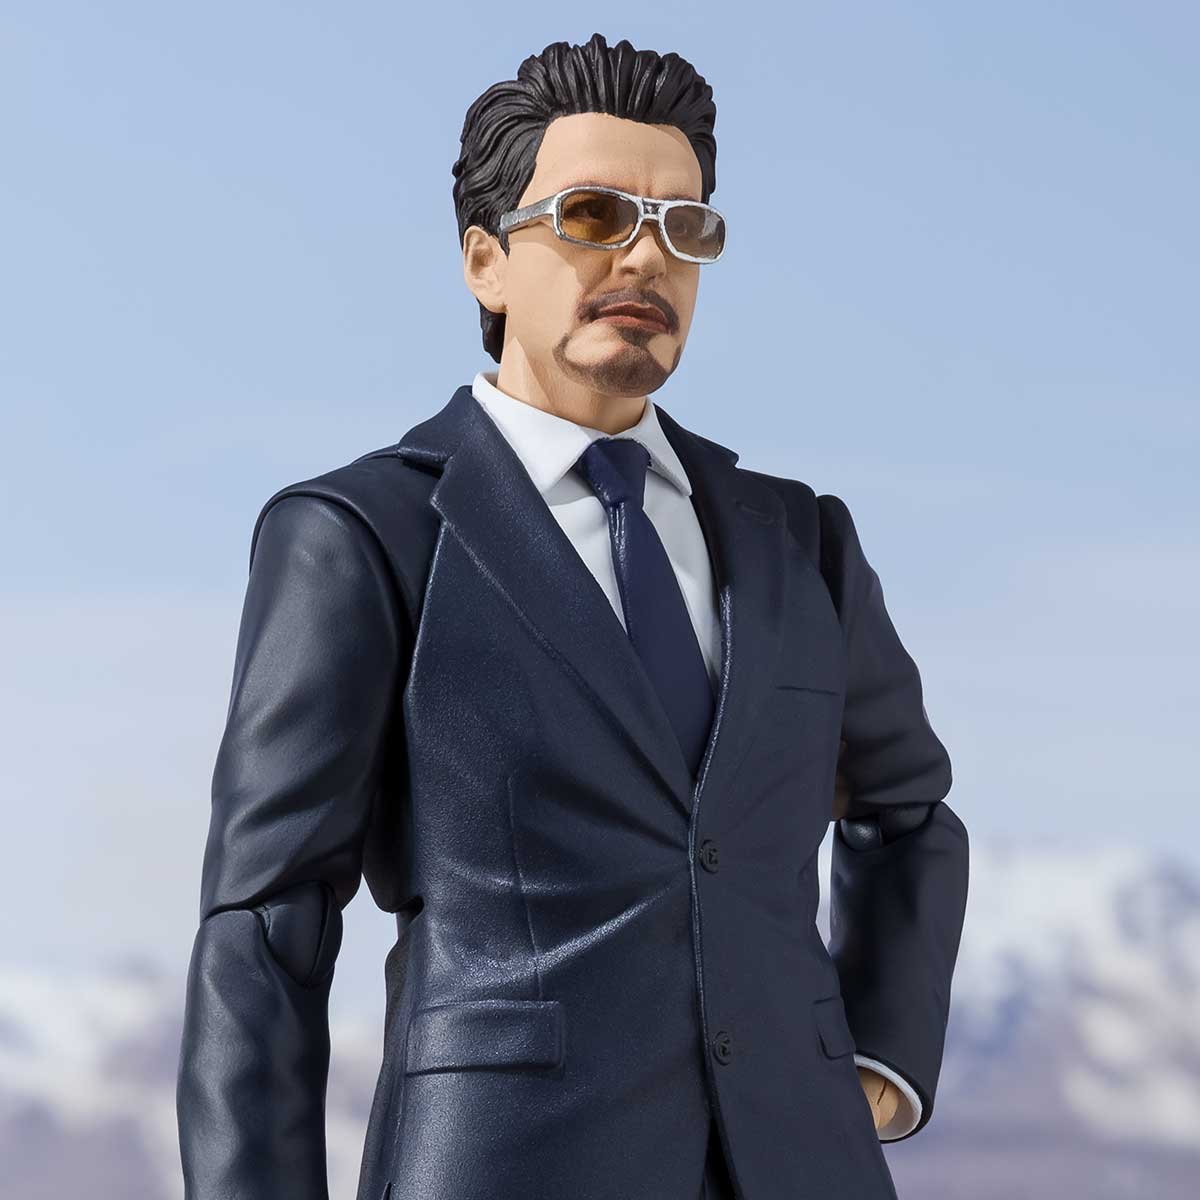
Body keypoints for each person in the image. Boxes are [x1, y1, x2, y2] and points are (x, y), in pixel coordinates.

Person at [176, 32, 969, 1200]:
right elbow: (265, 927)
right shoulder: (364, 535)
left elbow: (908, 815)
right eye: (595, 216)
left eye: (684, 227)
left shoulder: (800, 541)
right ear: (485, 261)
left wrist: (873, 1066)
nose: (646, 256)